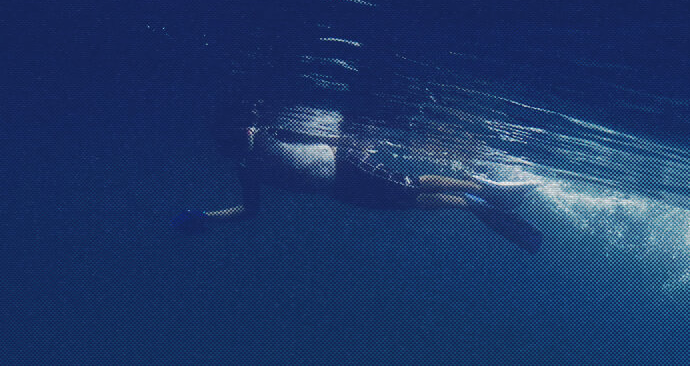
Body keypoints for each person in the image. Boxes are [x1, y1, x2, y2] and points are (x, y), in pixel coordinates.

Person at [174, 103, 542, 253]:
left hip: (347, 166)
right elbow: (250, 210)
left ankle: (484, 188)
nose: (244, 142)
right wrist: (206, 216)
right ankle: (469, 202)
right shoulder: (246, 165)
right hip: (338, 190)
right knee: (407, 200)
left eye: (241, 138)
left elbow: (323, 136)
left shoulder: (270, 131)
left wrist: (353, 144)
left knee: (410, 185)